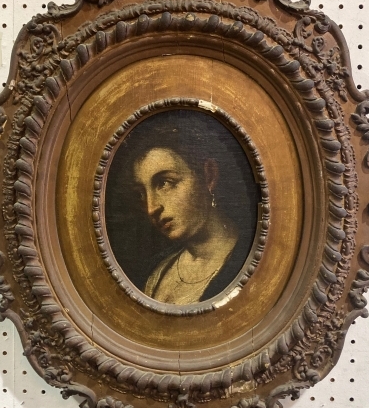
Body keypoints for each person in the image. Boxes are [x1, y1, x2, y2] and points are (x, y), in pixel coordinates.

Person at [105, 109, 258, 305]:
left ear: (209, 176)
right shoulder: (157, 271)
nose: (151, 208)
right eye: (141, 194)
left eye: (165, 183)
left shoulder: (250, 262)